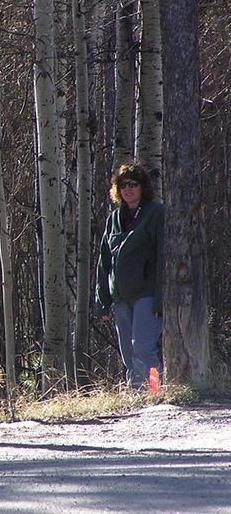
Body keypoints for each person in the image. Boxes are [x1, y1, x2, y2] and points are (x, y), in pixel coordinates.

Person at [95, 163, 165, 388]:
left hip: (146, 294)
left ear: (143, 187)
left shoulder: (156, 213)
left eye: (133, 184)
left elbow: (164, 256)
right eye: (123, 185)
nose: (128, 189)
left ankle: (154, 393)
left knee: (143, 348)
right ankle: (136, 394)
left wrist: (160, 298)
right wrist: (102, 300)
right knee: (128, 352)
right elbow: (104, 261)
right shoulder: (114, 218)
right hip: (121, 298)